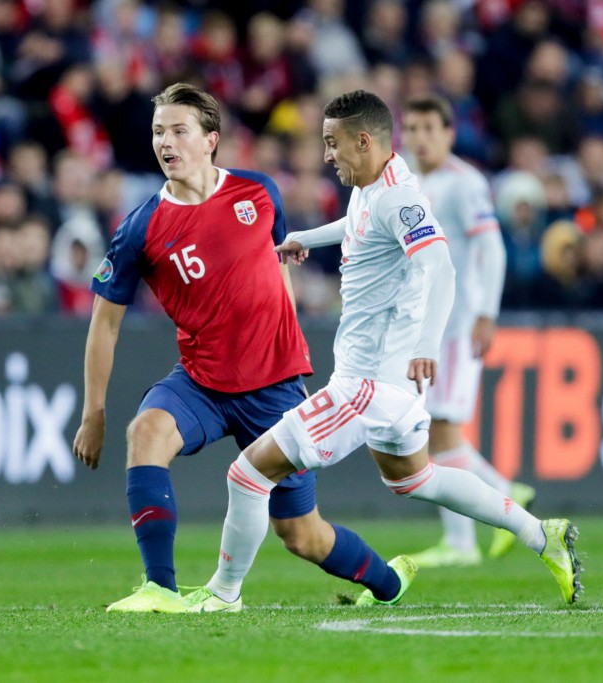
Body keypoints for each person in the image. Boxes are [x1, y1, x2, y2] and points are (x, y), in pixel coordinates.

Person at [182, 90, 581, 613]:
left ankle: (223, 594)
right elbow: (361, 226)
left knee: (248, 473)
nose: (326, 155)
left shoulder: (400, 197)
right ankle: (542, 534)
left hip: (367, 384)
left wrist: (426, 345)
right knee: (417, 478)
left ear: (364, 141)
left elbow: (440, 263)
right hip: (391, 387)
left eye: (333, 143)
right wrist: (309, 236)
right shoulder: (372, 186)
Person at [73, 82, 410, 613]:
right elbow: (104, 325)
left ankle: (390, 583)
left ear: (210, 139)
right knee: (146, 433)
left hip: (274, 387)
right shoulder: (140, 228)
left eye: (179, 130)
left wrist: (291, 346)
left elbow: (277, 268)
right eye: (159, 131)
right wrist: (94, 411)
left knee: (303, 535)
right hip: (202, 381)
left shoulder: (258, 192)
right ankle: (159, 588)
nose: (166, 142)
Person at [400, 94, 536, 568]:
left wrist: (486, 312)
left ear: (448, 133)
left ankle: (482, 519)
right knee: (431, 430)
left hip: (457, 324)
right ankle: (470, 529)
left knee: (441, 428)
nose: (419, 138)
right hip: (423, 325)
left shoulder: (465, 183)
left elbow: (492, 249)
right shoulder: (405, 180)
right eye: (411, 129)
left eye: (428, 129)